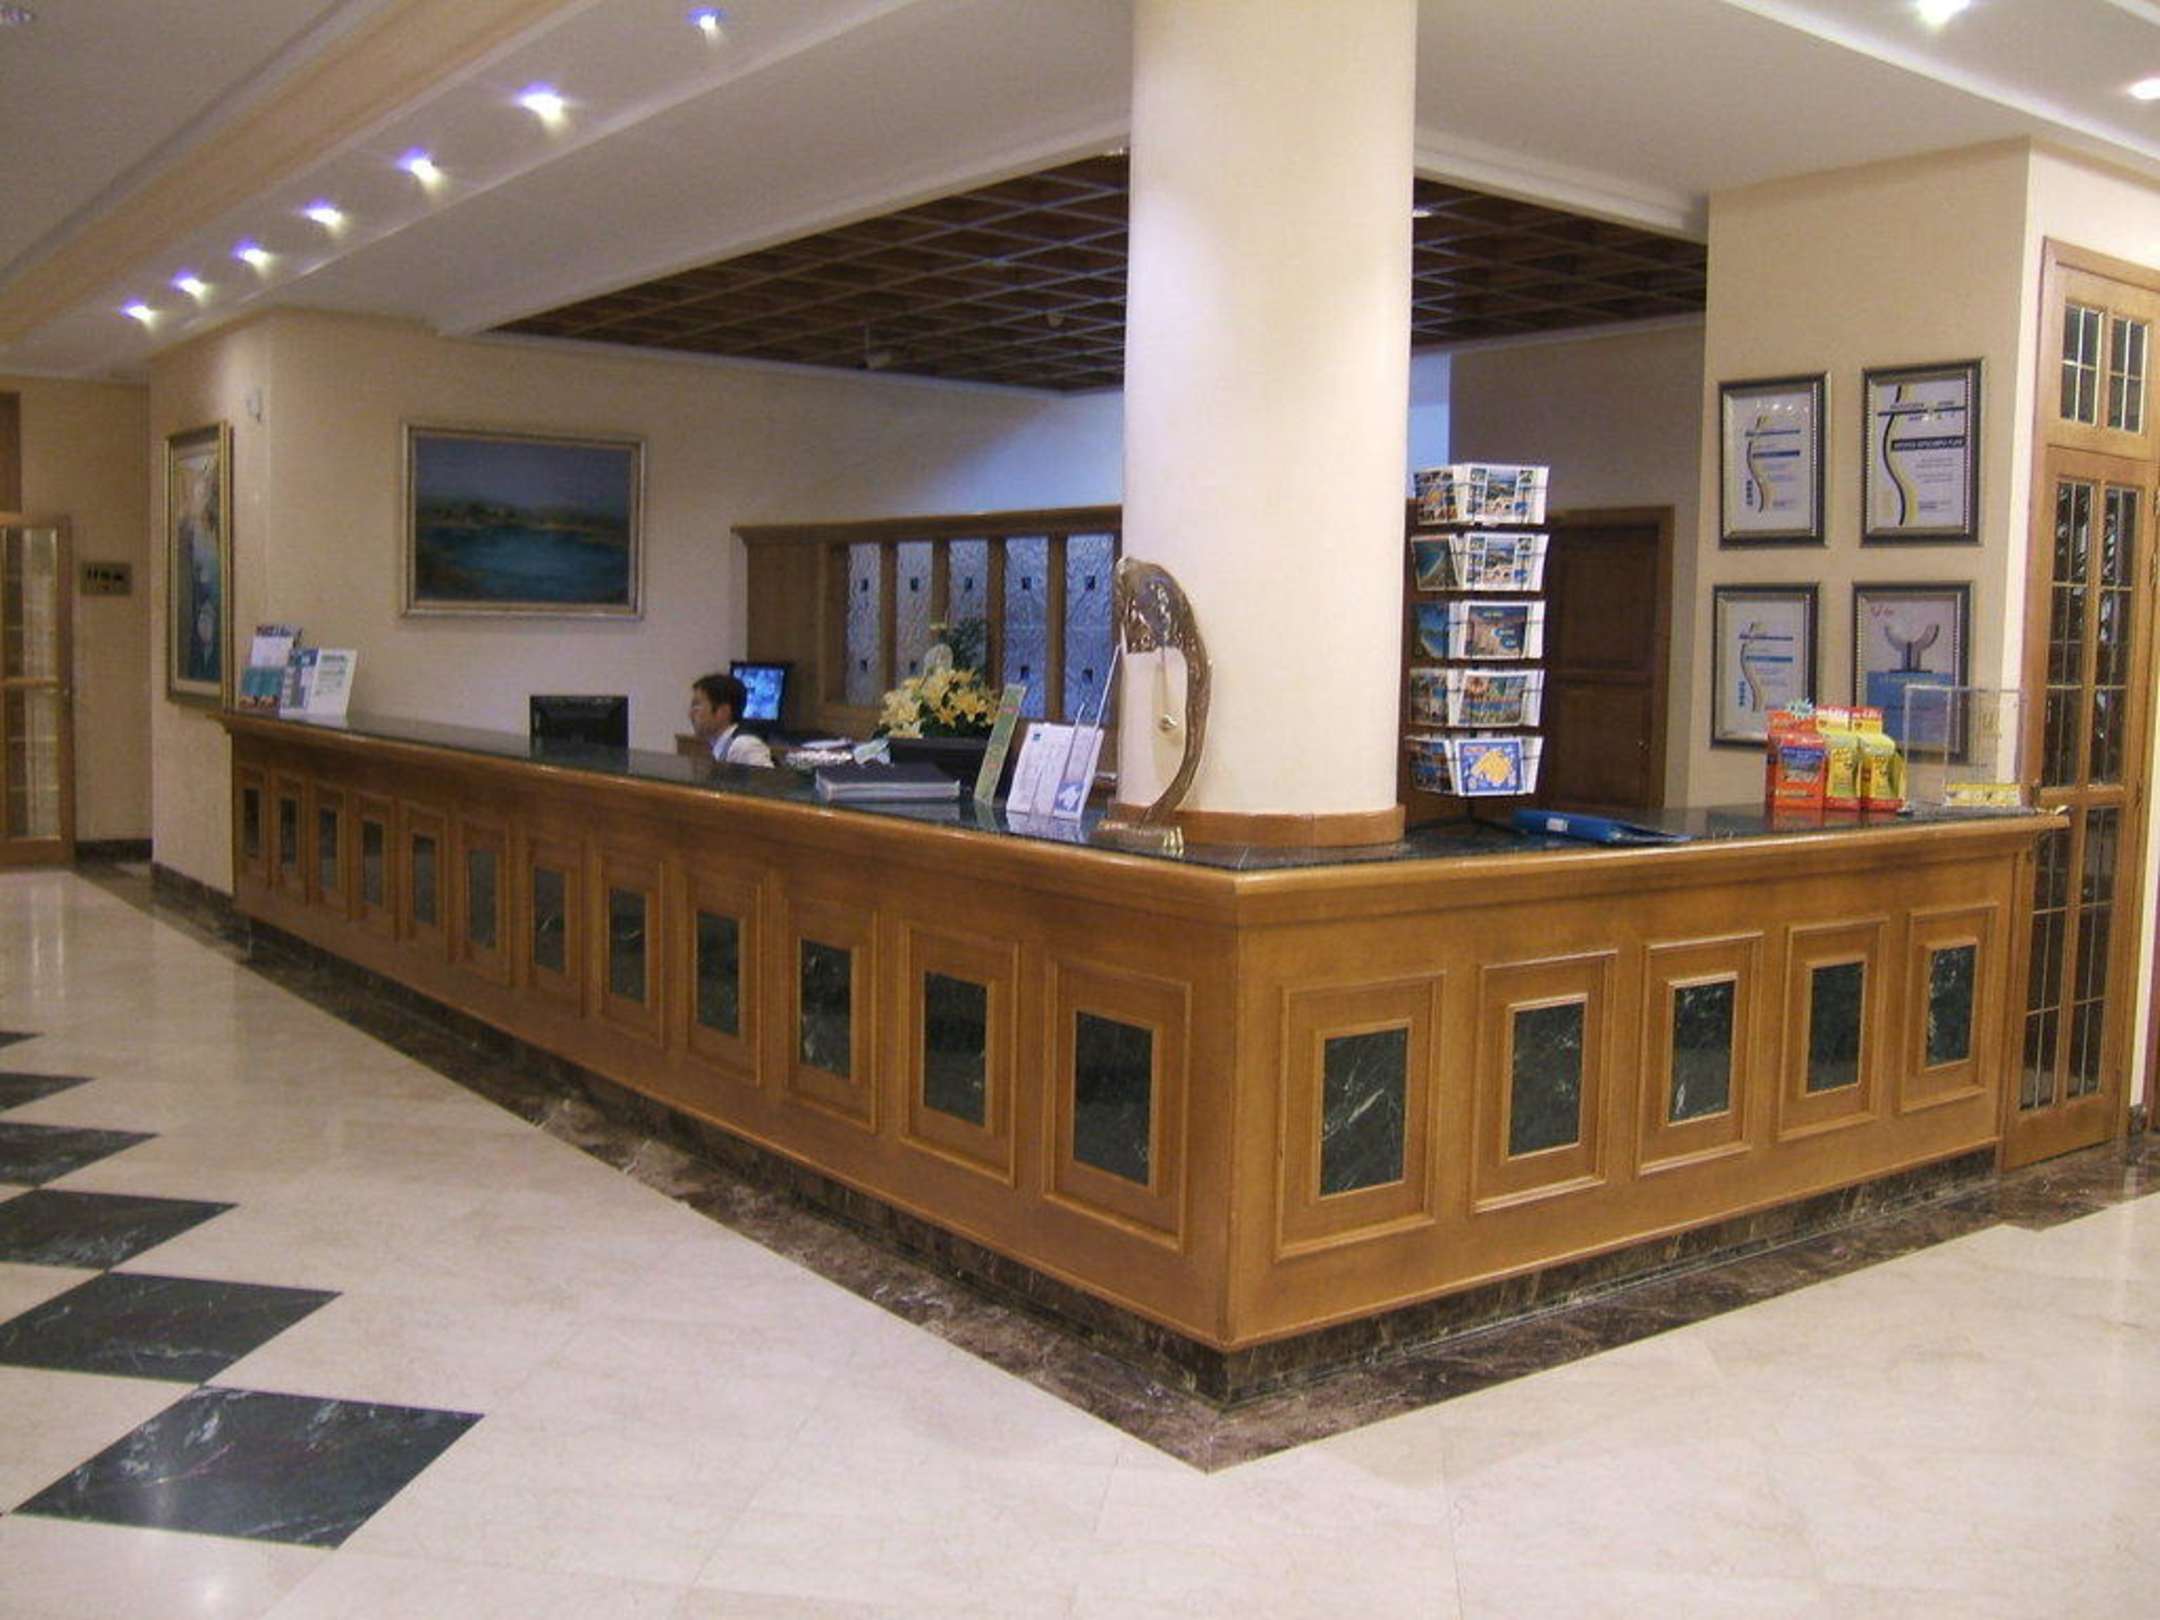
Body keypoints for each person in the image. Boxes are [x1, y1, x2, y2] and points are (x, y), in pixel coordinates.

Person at [688, 672, 774, 768]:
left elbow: (769, 777)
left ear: (723, 712)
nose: (690, 714)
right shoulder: (722, 745)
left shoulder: (744, 746)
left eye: (697, 706)